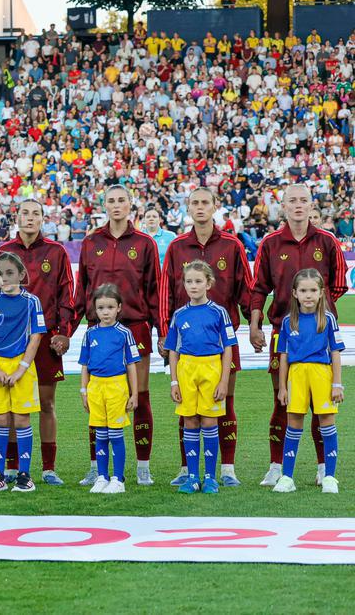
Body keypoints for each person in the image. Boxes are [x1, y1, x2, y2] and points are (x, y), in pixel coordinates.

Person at [249, 184, 348, 487]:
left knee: (321, 405)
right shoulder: (270, 243)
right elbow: (259, 288)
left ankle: (322, 467)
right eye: (293, 200)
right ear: (284, 206)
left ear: (310, 204)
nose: (298, 205)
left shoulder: (327, 240)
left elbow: (340, 283)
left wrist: (316, 313)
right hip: (283, 333)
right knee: (282, 401)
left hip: (318, 333)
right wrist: (255, 324)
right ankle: (276, 465)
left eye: (304, 200)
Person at [160, 188, 251, 487]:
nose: (200, 207)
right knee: (186, 407)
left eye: (205, 202)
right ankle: (187, 469)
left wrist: (255, 323)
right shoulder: (176, 247)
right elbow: (166, 293)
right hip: (185, 342)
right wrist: (164, 333)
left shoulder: (232, 245)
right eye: (194, 202)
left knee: (225, 402)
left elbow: (245, 290)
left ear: (215, 206)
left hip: (220, 345)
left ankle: (226, 468)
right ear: (188, 208)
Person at [73, 185, 161, 487]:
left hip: (135, 328)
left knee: (139, 396)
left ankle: (142, 465)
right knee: (97, 395)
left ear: (130, 204)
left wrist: (160, 329)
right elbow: (81, 288)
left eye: (121, 200)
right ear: (104, 205)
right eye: (111, 201)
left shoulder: (145, 243)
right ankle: (96, 467)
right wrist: (68, 328)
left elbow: (154, 289)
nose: (116, 205)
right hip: (98, 330)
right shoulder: (91, 242)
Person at [0, 199, 74, 485]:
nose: (29, 218)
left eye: (35, 213)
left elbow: (66, 296)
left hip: (45, 340)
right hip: (8, 344)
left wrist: (64, 331)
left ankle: (48, 468)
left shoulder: (57, 252)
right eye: (24, 212)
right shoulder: (3, 252)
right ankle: (12, 468)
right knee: (11, 406)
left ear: (42, 218)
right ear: (17, 217)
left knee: (47, 404)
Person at [163, 261, 237, 495]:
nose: (193, 286)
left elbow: (228, 348)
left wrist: (224, 380)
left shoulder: (219, 312)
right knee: (190, 421)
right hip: (187, 369)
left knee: (209, 421)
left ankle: (210, 477)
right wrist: (174, 381)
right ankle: (193, 476)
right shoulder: (179, 314)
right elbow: (173, 350)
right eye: (189, 281)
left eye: (198, 281)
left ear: (208, 283)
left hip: (211, 368)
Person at [0, 253, 46, 493]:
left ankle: (24, 475)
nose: (4, 279)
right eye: (0, 274)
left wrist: (21, 369)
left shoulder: (32, 301)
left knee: (22, 419)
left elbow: (36, 337)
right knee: (1, 419)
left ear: (21, 275)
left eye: (10, 273)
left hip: (23, 367)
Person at [273, 269, 346, 494]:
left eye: (313, 290)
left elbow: (335, 352)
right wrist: (283, 386)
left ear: (322, 292)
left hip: (322, 374)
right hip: (297, 375)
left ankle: (330, 477)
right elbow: (283, 356)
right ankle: (287, 477)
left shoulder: (328, 319)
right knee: (293, 424)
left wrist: (337, 384)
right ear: (294, 293)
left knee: (326, 422)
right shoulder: (287, 322)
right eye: (303, 290)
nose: (308, 295)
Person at [79, 284, 140, 494]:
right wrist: (84, 391)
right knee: (101, 434)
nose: (105, 312)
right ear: (95, 310)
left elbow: (131, 365)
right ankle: (102, 477)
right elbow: (85, 366)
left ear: (119, 308)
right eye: (101, 308)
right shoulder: (90, 334)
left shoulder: (124, 333)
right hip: (95, 387)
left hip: (116, 386)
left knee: (115, 434)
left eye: (110, 307)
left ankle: (118, 479)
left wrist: (134, 393)